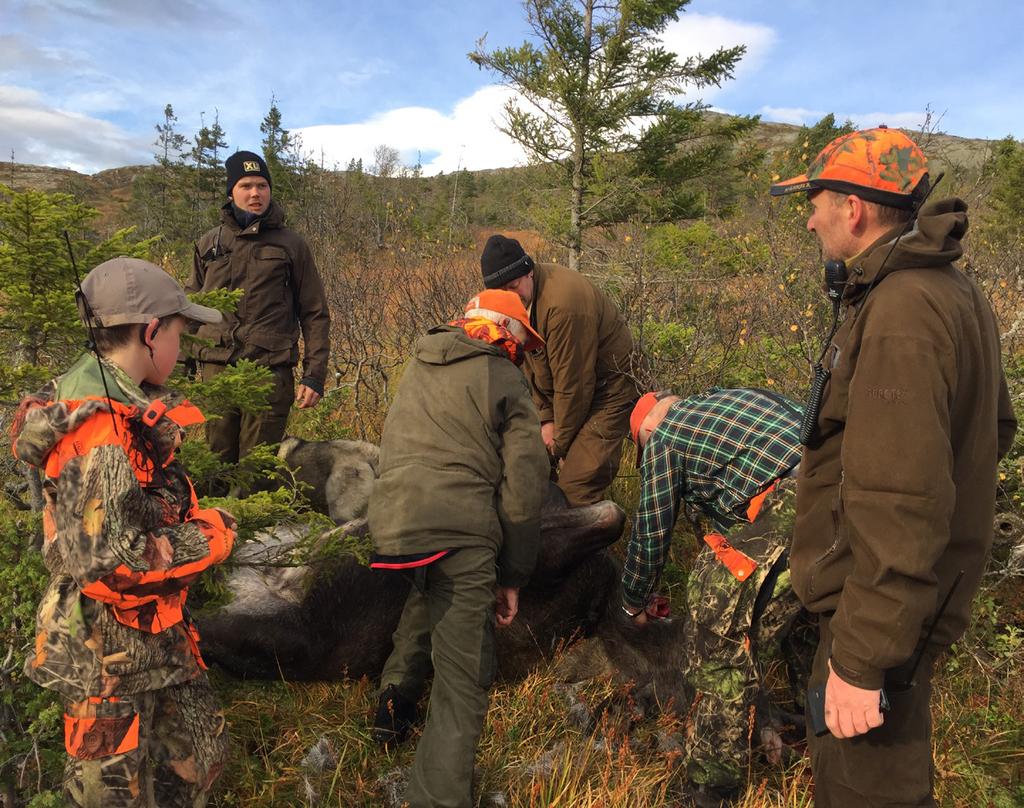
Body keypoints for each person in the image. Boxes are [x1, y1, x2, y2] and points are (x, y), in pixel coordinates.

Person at [770, 127, 1017, 806]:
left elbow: (901, 494)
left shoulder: (901, 311)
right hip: (906, 604)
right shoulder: (950, 292)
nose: (810, 218)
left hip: (878, 618)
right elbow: (993, 433)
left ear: (854, 209)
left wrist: (862, 657)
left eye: (815, 201)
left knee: (866, 791)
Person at [12, 257, 236, 806]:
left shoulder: (107, 406)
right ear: (152, 331)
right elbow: (111, 563)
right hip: (106, 663)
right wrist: (213, 535)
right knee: (110, 794)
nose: (181, 350)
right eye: (179, 332)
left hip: (145, 647)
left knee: (191, 770)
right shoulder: (101, 429)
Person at [366, 289, 549, 808]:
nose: (519, 349)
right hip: (459, 527)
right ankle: (438, 798)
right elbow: (525, 484)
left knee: (430, 592)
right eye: (519, 338)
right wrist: (512, 574)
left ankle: (393, 702)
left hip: (395, 524)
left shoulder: (418, 357)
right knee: (462, 679)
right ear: (503, 331)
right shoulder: (502, 375)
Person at [621, 387, 811, 801]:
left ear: (648, 428)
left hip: (795, 499)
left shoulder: (666, 436)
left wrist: (634, 601)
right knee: (806, 615)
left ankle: (712, 786)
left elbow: (651, 530)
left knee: (716, 638)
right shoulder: (728, 402)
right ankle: (818, 730)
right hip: (851, 489)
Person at [187, 150, 330, 468]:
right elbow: (190, 309)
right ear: (231, 192)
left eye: (262, 185)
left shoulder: (291, 245)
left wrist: (314, 375)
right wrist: (179, 367)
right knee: (216, 466)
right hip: (216, 373)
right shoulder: (208, 244)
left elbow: (314, 312)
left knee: (257, 472)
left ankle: (259, 520)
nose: (255, 193)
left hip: (269, 372)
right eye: (246, 185)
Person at [481, 234, 639, 507]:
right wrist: (545, 419)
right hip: (571, 396)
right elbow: (534, 365)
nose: (509, 296)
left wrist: (559, 446)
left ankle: (588, 546)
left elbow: (574, 386)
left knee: (574, 490)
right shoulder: (523, 303)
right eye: (501, 291)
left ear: (528, 271)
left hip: (610, 393)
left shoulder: (562, 306)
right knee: (531, 475)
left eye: (513, 286)